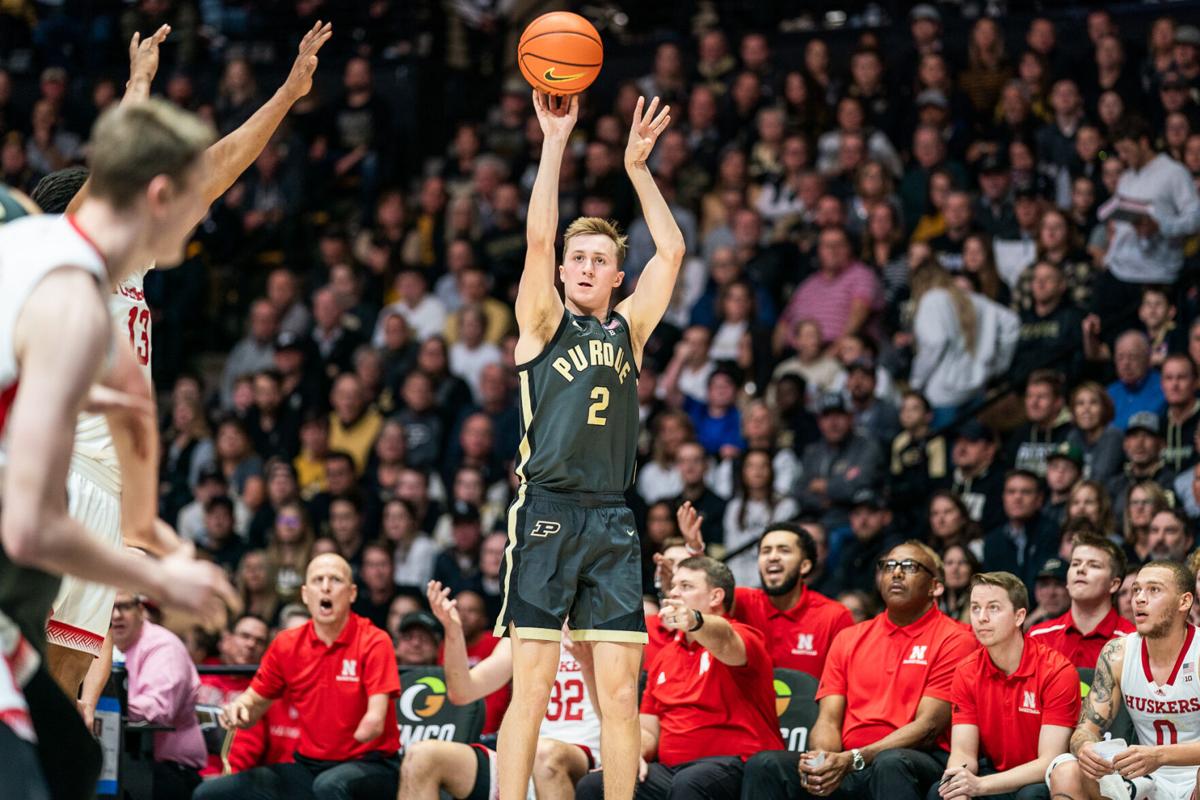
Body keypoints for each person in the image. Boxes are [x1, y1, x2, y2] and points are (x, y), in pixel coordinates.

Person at [37, 20, 331, 717]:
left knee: (60, 685)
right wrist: (137, 88)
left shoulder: (126, 262)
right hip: (59, 474)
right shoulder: (64, 263)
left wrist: (288, 95)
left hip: (105, 497)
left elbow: (215, 173)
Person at [0, 100, 238, 799]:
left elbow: (134, 504)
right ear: (157, 196)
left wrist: (158, 543)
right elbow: (30, 528)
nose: (198, 228)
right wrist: (166, 583)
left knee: (71, 761)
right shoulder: (71, 298)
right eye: (195, 210)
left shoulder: (35, 243)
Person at [494, 88, 686, 800]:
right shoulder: (542, 322)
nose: (581, 266)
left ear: (615, 276)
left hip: (610, 516)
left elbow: (673, 249)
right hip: (546, 510)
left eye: (597, 258)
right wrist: (554, 142)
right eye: (576, 256)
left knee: (620, 692)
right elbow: (537, 240)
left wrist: (639, 169)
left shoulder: (629, 331)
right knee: (533, 687)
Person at [742, 541, 977, 800]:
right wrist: (824, 760)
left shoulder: (956, 638)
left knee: (891, 762)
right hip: (849, 760)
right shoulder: (850, 638)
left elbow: (928, 726)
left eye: (909, 566)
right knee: (764, 765)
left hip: (916, 759)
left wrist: (854, 758)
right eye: (888, 566)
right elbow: (828, 719)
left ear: (935, 586)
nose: (896, 573)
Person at [576, 556, 783, 800]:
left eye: (686, 587)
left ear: (716, 596)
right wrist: (634, 755)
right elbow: (648, 730)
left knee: (690, 782)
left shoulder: (745, 636)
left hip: (739, 765)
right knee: (594, 784)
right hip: (673, 771)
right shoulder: (665, 656)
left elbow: (724, 638)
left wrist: (696, 621)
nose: (673, 593)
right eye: (673, 586)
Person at [197, 554, 400, 800]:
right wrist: (238, 709)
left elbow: (376, 716)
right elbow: (254, 701)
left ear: (352, 593)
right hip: (310, 767)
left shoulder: (374, 641)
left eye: (335, 580)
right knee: (211, 793)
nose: (325, 586)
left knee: (329, 786)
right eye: (318, 580)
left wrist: (369, 725)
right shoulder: (287, 644)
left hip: (372, 765)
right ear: (305, 594)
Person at [400, 581, 601, 800]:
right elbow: (463, 691)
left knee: (543, 755)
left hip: (584, 754)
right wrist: (453, 631)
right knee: (420, 757)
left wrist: (588, 665)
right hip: (522, 753)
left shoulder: (607, 623)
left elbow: (620, 707)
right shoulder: (527, 625)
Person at [1046, 560, 1200, 800]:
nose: (1138, 598)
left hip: (1193, 776)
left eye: (1154, 590)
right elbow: (1085, 729)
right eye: (1137, 589)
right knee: (1066, 770)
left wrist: (1159, 756)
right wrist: (1086, 748)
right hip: (1145, 776)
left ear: (1184, 601)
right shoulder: (1117, 653)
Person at [934, 571, 1079, 800]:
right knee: (942, 792)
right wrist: (959, 785)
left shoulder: (1057, 671)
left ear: (1019, 616)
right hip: (993, 773)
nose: (981, 617)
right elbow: (963, 752)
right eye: (975, 608)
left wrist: (980, 786)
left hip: (1038, 779)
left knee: (1031, 796)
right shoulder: (966, 671)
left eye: (993, 608)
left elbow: (1049, 761)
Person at [678, 507, 853, 678]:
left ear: (804, 565)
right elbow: (706, 596)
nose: (772, 557)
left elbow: (845, 683)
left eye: (784, 550)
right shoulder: (742, 601)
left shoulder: (834, 617)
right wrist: (696, 551)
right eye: (765, 551)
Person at [110, 591, 208, 798]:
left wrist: (107, 704)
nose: (116, 615)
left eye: (124, 607)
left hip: (169, 770)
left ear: (141, 611)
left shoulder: (164, 646)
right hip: (124, 762)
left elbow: (158, 710)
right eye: (109, 608)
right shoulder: (104, 646)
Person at [1028, 533, 1133, 669]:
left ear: (1114, 584)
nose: (1081, 569)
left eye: (1094, 565)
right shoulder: (1038, 638)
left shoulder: (1133, 643)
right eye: (1075, 563)